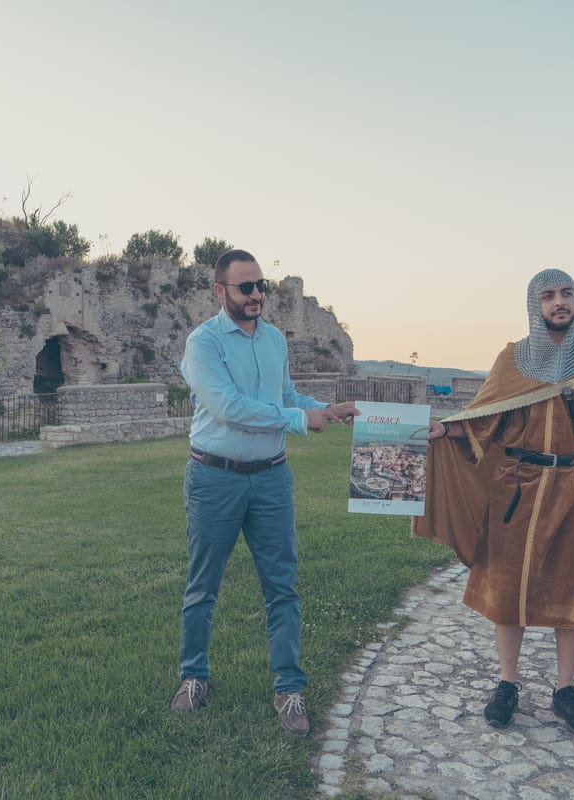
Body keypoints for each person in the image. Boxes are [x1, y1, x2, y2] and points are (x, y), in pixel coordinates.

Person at [413, 268, 574, 737]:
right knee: (508, 591)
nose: (559, 302)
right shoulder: (513, 360)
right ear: (535, 305)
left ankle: (565, 690)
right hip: (516, 489)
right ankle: (507, 683)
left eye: (566, 294)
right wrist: (446, 428)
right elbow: (487, 418)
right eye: (548, 296)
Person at [171, 248, 358, 736]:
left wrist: (327, 409)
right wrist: (299, 419)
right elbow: (229, 408)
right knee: (202, 586)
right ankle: (194, 677)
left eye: (262, 286)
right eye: (246, 287)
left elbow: (285, 397)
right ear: (220, 290)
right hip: (214, 478)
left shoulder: (275, 339)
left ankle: (289, 689)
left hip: (272, 478)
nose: (257, 295)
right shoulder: (203, 343)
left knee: (282, 586)